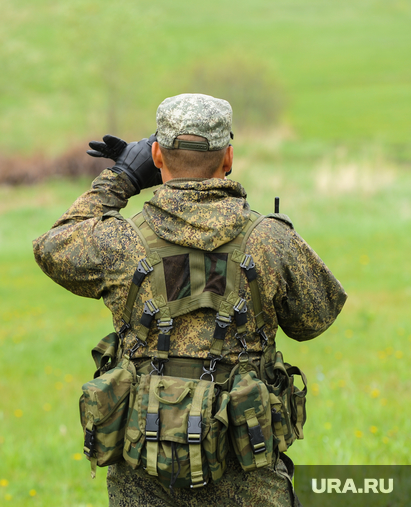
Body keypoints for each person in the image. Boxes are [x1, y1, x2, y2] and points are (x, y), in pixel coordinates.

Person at [33, 93, 346, 507]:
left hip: (143, 468)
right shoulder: (271, 240)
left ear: (158, 156)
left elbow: (51, 246)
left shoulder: (119, 240)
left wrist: (122, 176)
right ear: (229, 158)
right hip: (247, 468)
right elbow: (314, 318)